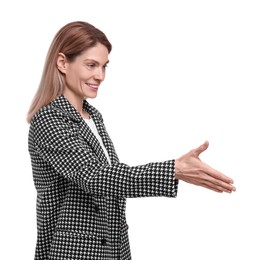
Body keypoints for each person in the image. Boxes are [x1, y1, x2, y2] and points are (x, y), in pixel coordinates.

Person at [26, 21, 236, 260]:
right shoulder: (49, 120)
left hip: (113, 250)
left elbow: (112, 181)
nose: (100, 75)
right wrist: (172, 170)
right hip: (72, 253)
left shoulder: (93, 116)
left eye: (104, 66)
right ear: (63, 63)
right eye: (91, 65)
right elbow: (96, 178)